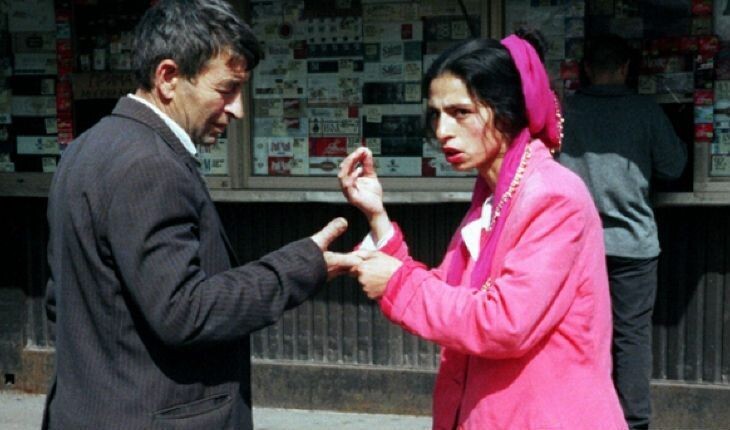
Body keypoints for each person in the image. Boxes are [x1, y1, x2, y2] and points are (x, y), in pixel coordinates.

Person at [43, 1, 360, 429]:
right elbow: (184, 312)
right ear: (168, 77)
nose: (237, 109)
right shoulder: (150, 165)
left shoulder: (86, 147)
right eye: (226, 89)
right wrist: (302, 266)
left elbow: (61, 300)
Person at [339, 31, 628, 429]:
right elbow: (448, 297)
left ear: (506, 111)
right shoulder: (495, 196)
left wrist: (397, 283)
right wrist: (377, 216)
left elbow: (504, 323)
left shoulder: (553, 196)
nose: (442, 130)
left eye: (460, 112)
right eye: (436, 114)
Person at [559, 34, 687, 429]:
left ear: (585, 70)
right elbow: (673, 166)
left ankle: (580, 416)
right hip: (633, 245)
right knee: (631, 337)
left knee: (578, 334)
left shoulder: (566, 110)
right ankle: (633, 423)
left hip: (576, 246)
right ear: (626, 69)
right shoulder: (645, 110)